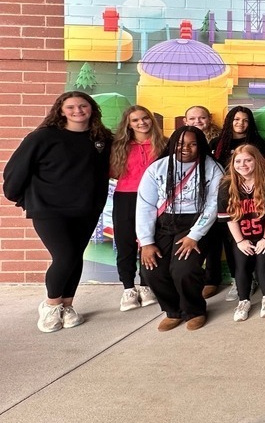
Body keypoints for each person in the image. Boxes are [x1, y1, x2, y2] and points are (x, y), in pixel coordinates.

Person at [3, 91, 113, 333]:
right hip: (49, 209)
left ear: (92, 109)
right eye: (71, 107)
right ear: (61, 110)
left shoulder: (101, 138)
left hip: (86, 209)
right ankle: (51, 305)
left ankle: (67, 304)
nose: (77, 111)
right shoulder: (42, 137)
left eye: (83, 106)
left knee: (75, 257)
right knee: (64, 256)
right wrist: (23, 199)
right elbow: (15, 171)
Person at [136, 127, 224, 332]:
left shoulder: (212, 168)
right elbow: (145, 205)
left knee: (184, 269)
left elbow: (213, 204)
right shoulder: (157, 168)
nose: (186, 148)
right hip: (164, 223)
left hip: (196, 223)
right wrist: (147, 242)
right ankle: (173, 311)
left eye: (193, 144)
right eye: (181, 143)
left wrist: (195, 236)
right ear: (173, 144)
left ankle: (194, 311)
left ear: (200, 145)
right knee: (152, 270)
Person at [204, 105, 265, 299]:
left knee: (256, 237)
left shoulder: (256, 142)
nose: (241, 123)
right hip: (226, 196)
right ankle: (236, 278)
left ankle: (255, 278)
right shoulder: (217, 142)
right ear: (230, 120)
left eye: (245, 120)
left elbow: (263, 169)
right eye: (236, 119)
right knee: (230, 238)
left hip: (251, 198)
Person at [218, 145, 265, 321]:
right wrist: (240, 241)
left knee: (263, 264)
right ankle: (244, 301)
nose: (243, 164)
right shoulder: (227, 184)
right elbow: (230, 217)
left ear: (257, 160)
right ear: (233, 164)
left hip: (264, 234)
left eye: (248, 160)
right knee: (241, 266)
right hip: (241, 236)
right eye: (238, 161)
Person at [109, 104, 167, 310]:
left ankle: (146, 285)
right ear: (129, 124)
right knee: (125, 242)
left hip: (155, 198)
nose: (141, 123)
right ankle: (128, 288)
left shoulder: (163, 144)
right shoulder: (119, 146)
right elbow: (113, 172)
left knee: (149, 240)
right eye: (135, 120)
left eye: (145, 118)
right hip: (126, 196)